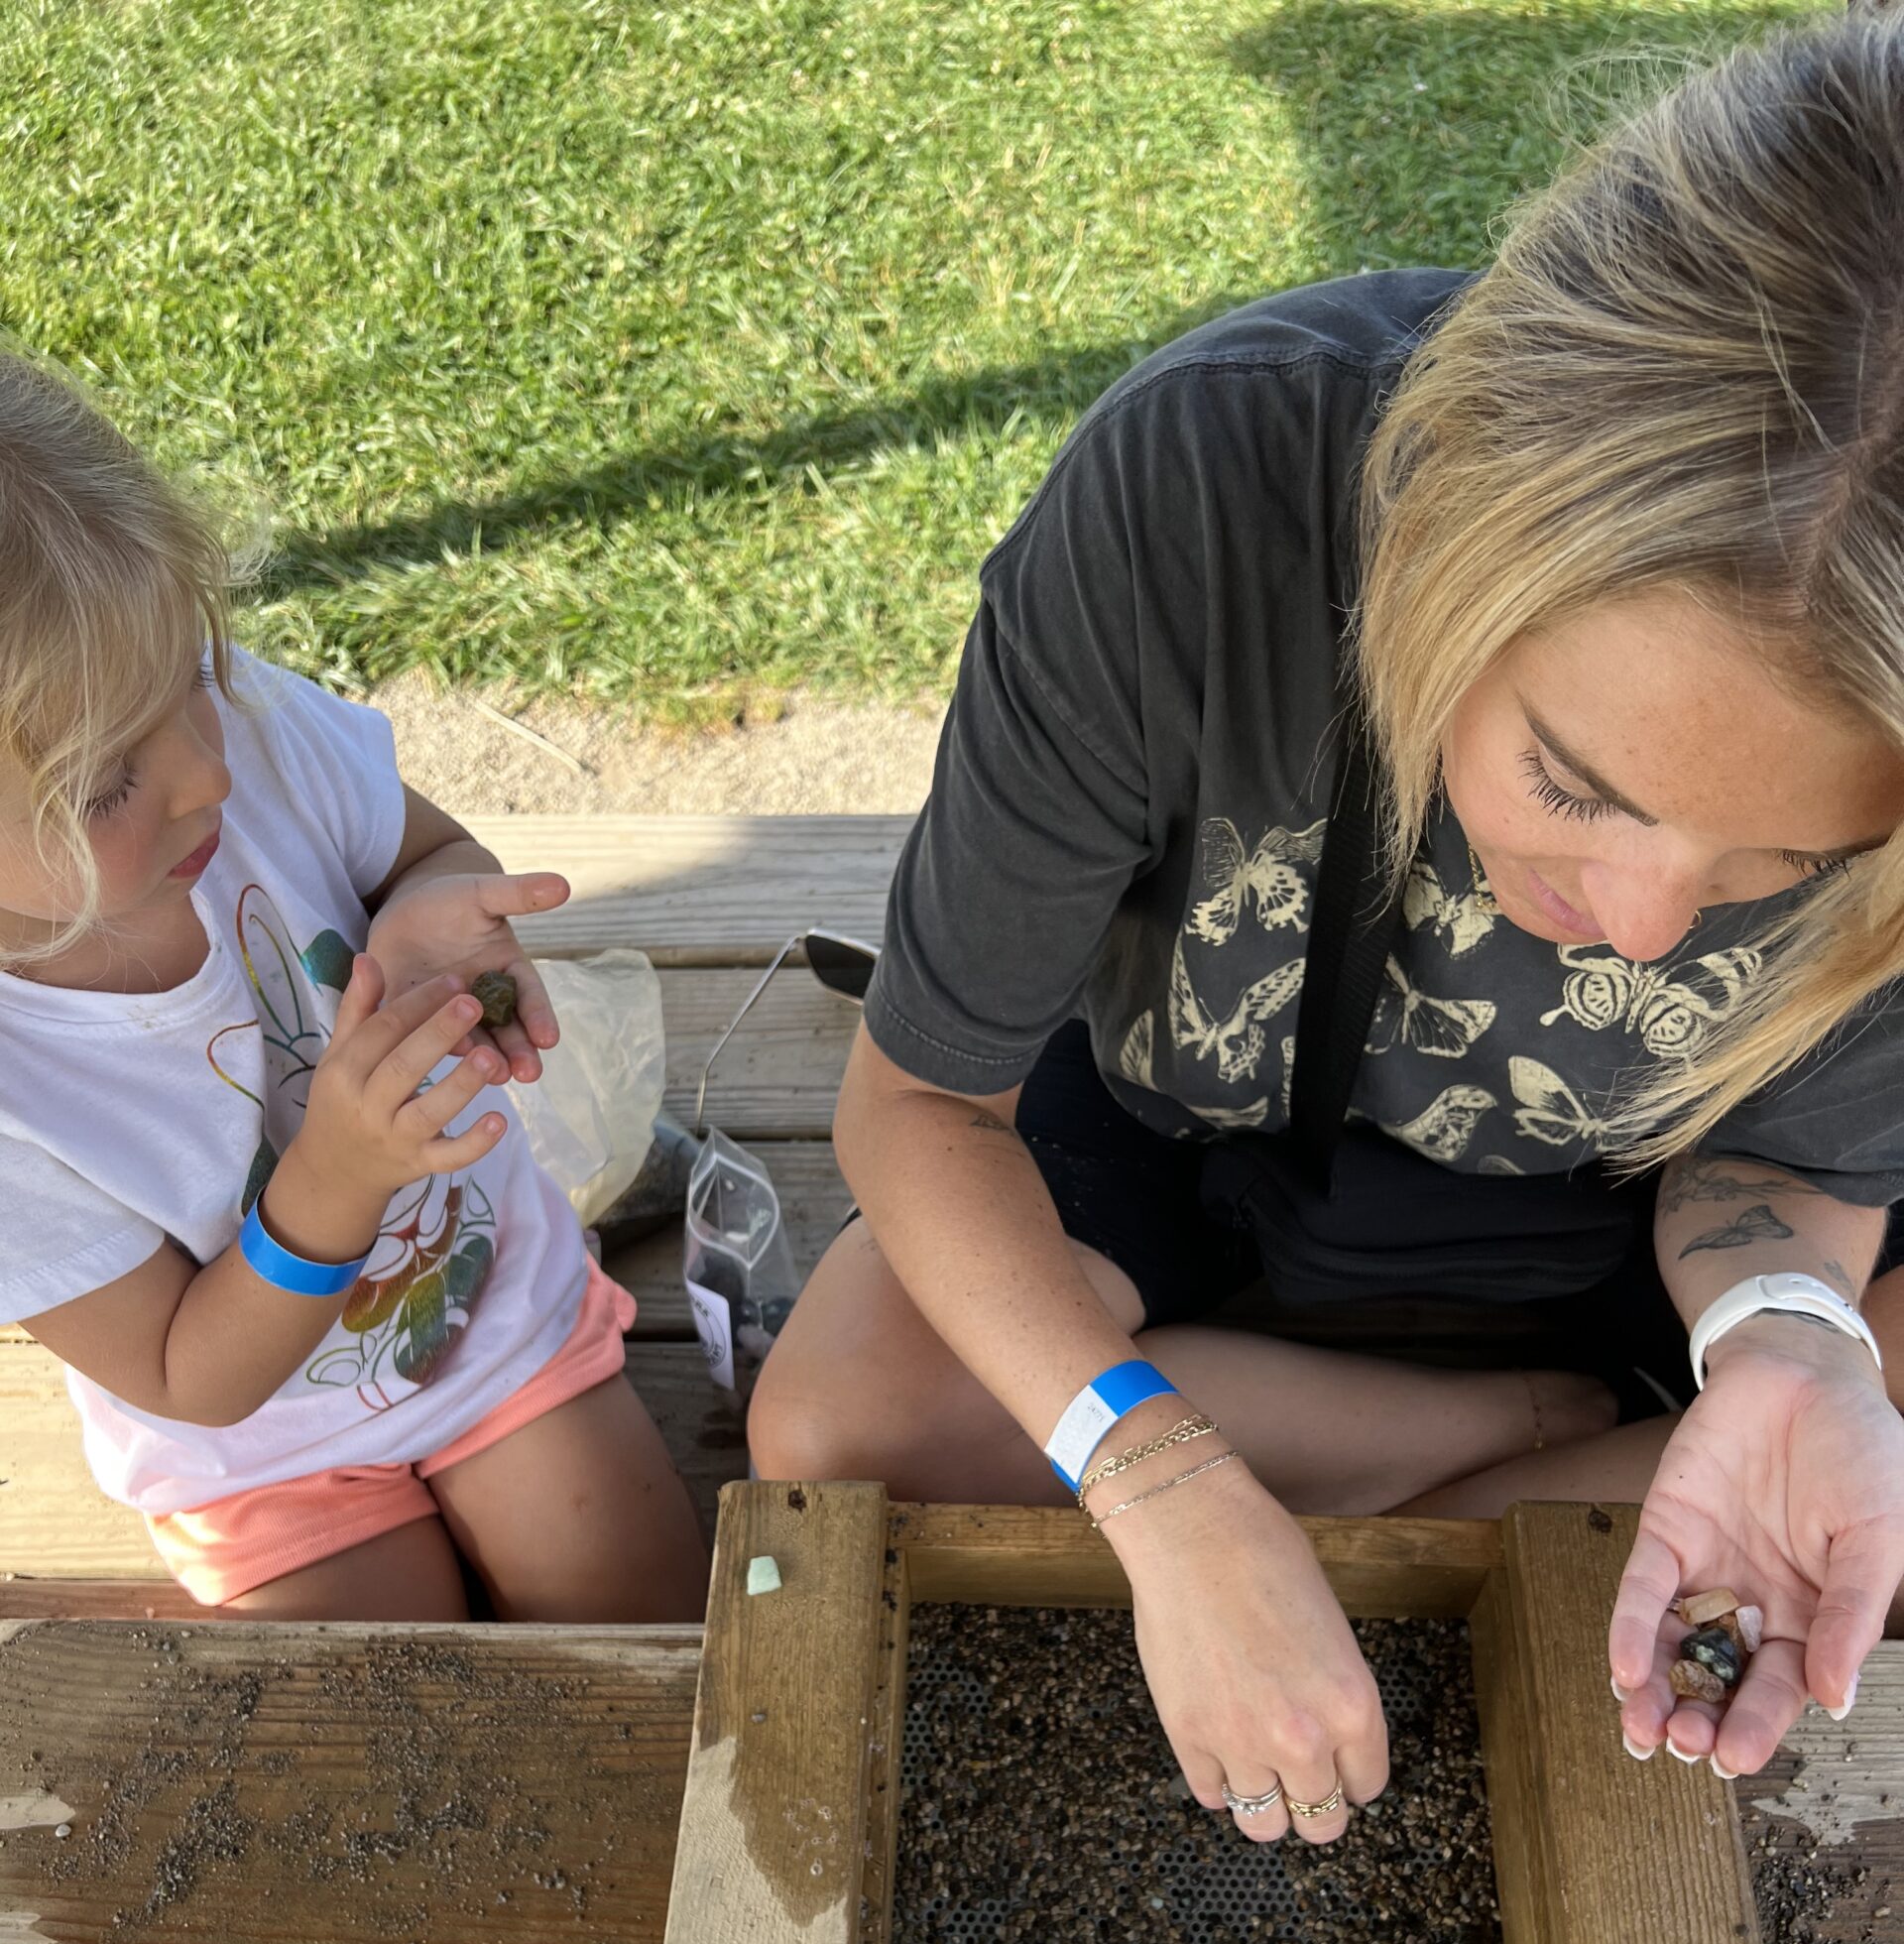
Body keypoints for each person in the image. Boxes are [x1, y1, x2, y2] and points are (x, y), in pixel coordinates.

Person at [752, 15, 1904, 1834]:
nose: (1643, 927)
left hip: (1643, 1239)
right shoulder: (1197, 500)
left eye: (1785, 864)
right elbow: (917, 1114)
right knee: (835, 1433)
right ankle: (1520, 1465)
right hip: (1192, 1137)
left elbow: (1803, 1171)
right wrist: (1163, 1484)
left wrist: (1783, 1346)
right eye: (1579, 785)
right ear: (1449, 533)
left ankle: (1423, 1511)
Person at [0, 353, 706, 1623]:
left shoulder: (239, 729)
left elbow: (424, 851)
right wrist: (332, 1179)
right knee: (387, 1745)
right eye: (110, 780)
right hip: (255, 1451)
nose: (207, 773)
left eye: (196, 676)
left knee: (644, 1632)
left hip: (488, 1314)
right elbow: (182, 1368)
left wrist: (436, 909)